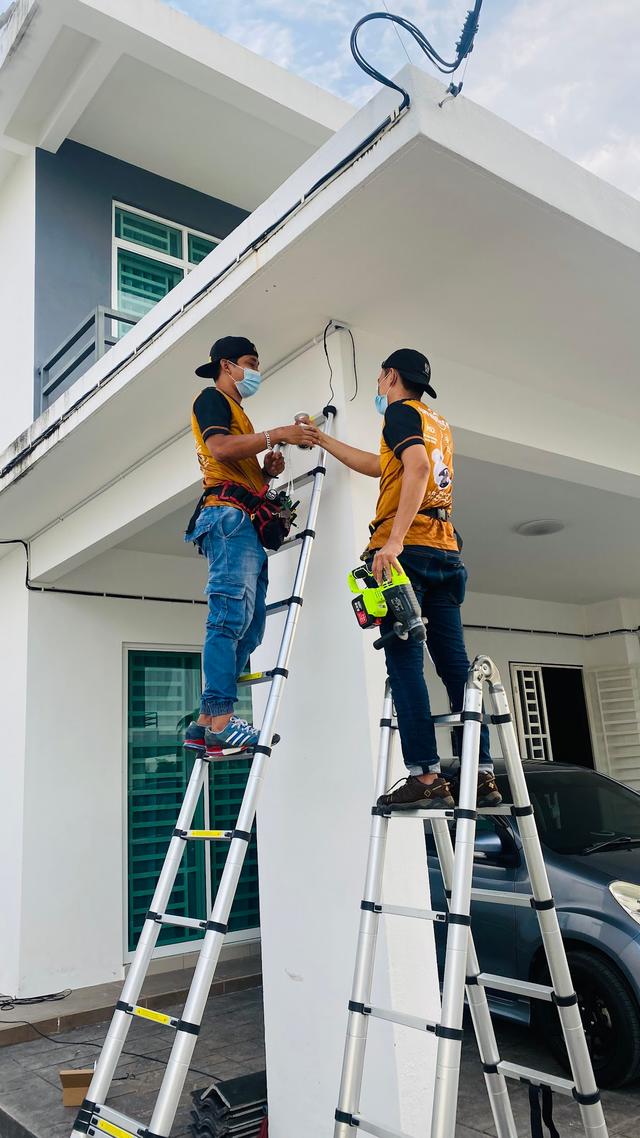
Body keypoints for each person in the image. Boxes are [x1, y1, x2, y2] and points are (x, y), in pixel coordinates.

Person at [309, 348, 501, 808]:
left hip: (407, 553)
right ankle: (481, 774)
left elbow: (413, 469)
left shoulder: (398, 413)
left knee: (404, 661)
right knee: (454, 664)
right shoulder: (435, 422)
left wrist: (391, 542)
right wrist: (321, 440)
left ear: (391, 377)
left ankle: (426, 777)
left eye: (380, 380)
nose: (378, 388)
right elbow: (384, 466)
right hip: (443, 550)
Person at [183, 335, 317, 754]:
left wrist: (266, 472)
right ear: (227, 365)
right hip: (227, 519)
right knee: (227, 617)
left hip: (242, 521)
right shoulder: (211, 399)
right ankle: (222, 720)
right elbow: (218, 447)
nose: (256, 370)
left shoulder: (238, 412)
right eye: (250, 362)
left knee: (253, 626)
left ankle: (205, 722)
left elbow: (236, 465)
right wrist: (275, 434)